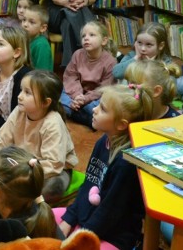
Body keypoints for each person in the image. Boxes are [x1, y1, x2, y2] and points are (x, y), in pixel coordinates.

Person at [56, 84, 151, 250]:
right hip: (88, 220)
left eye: (103, 109)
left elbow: (110, 211)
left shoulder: (125, 162)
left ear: (121, 125)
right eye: (98, 104)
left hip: (113, 235)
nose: (94, 110)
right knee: (43, 219)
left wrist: (80, 235)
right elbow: (88, 185)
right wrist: (69, 218)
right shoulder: (103, 142)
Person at [0, 70, 78, 204]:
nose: (19, 96)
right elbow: (2, 142)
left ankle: (23, 203)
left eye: (27, 93)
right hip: (20, 164)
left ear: (45, 102)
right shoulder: (19, 111)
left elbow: (53, 165)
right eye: (21, 90)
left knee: (54, 186)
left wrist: (22, 173)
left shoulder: (53, 123)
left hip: (48, 172)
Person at [61, 20, 117, 127]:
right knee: (63, 95)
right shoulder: (77, 54)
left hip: (95, 96)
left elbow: (104, 88)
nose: (86, 38)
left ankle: (77, 112)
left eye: (92, 35)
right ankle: (83, 115)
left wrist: (85, 99)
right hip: (77, 93)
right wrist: (77, 96)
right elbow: (71, 77)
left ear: (104, 41)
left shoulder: (110, 61)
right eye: (83, 36)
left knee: (98, 106)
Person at [22, 4, 53, 71]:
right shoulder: (24, 39)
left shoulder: (42, 45)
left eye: (31, 22)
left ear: (43, 28)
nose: (25, 25)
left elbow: (42, 75)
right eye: (24, 20)